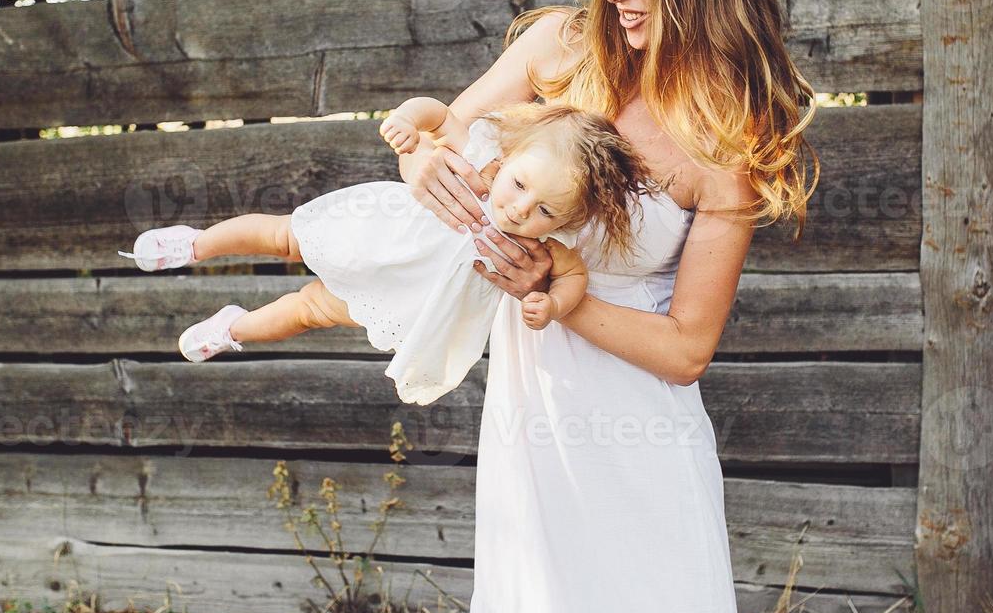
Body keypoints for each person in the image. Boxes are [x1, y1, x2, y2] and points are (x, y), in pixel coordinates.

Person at [397, 0, 819, 613]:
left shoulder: (726, 141)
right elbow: (443, 133)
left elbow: (687, 348)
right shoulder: (559, 48)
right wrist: (418, 161)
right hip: (530, 430)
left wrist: (568, 295)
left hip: (637, 447)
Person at [119, 97, 656, 406]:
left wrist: (554, 305)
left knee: (308, 310)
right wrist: (407, 119)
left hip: (403, 296)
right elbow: (438, 114)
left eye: (545, 211)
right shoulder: (480, 163)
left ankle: (233, 329)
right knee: (283, 235)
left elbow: (573, 276)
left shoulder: (545, 245)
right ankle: (196, 243)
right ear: (511, 157)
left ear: (567, 221)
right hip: (374, 235)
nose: (521, 210)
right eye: (519, 185)